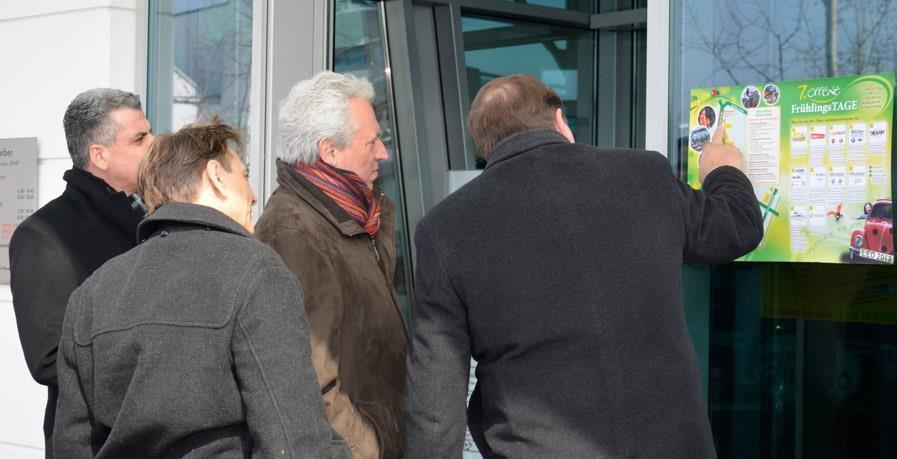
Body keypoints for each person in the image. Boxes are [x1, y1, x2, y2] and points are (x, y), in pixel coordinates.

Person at [404, 74, 764, 457]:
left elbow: (435, 404)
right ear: (560, 120)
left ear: (484, 146)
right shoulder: (643, 174)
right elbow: (737, 227)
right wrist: (723, 169)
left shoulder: (445, 229)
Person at [53, 118, 350, 458]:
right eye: (245, 176)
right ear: (216, 176)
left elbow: (71, 444)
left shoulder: (91, 293)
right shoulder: (257, 271)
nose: (254, 195)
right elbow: (294, 444)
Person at [256, 71, 408, 458]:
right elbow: (311, 381)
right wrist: (369, 450)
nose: (383, 153)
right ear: (330, 150)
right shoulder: (294, 232)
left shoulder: (353, 215)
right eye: (372, 142)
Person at [9, 88, 152, 458]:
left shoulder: (150, 216)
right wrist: (156, 356)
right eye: (140, 138)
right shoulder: (44, 235)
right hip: (93, 443)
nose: (154, 145)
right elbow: (49, 359)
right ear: (99, 155)